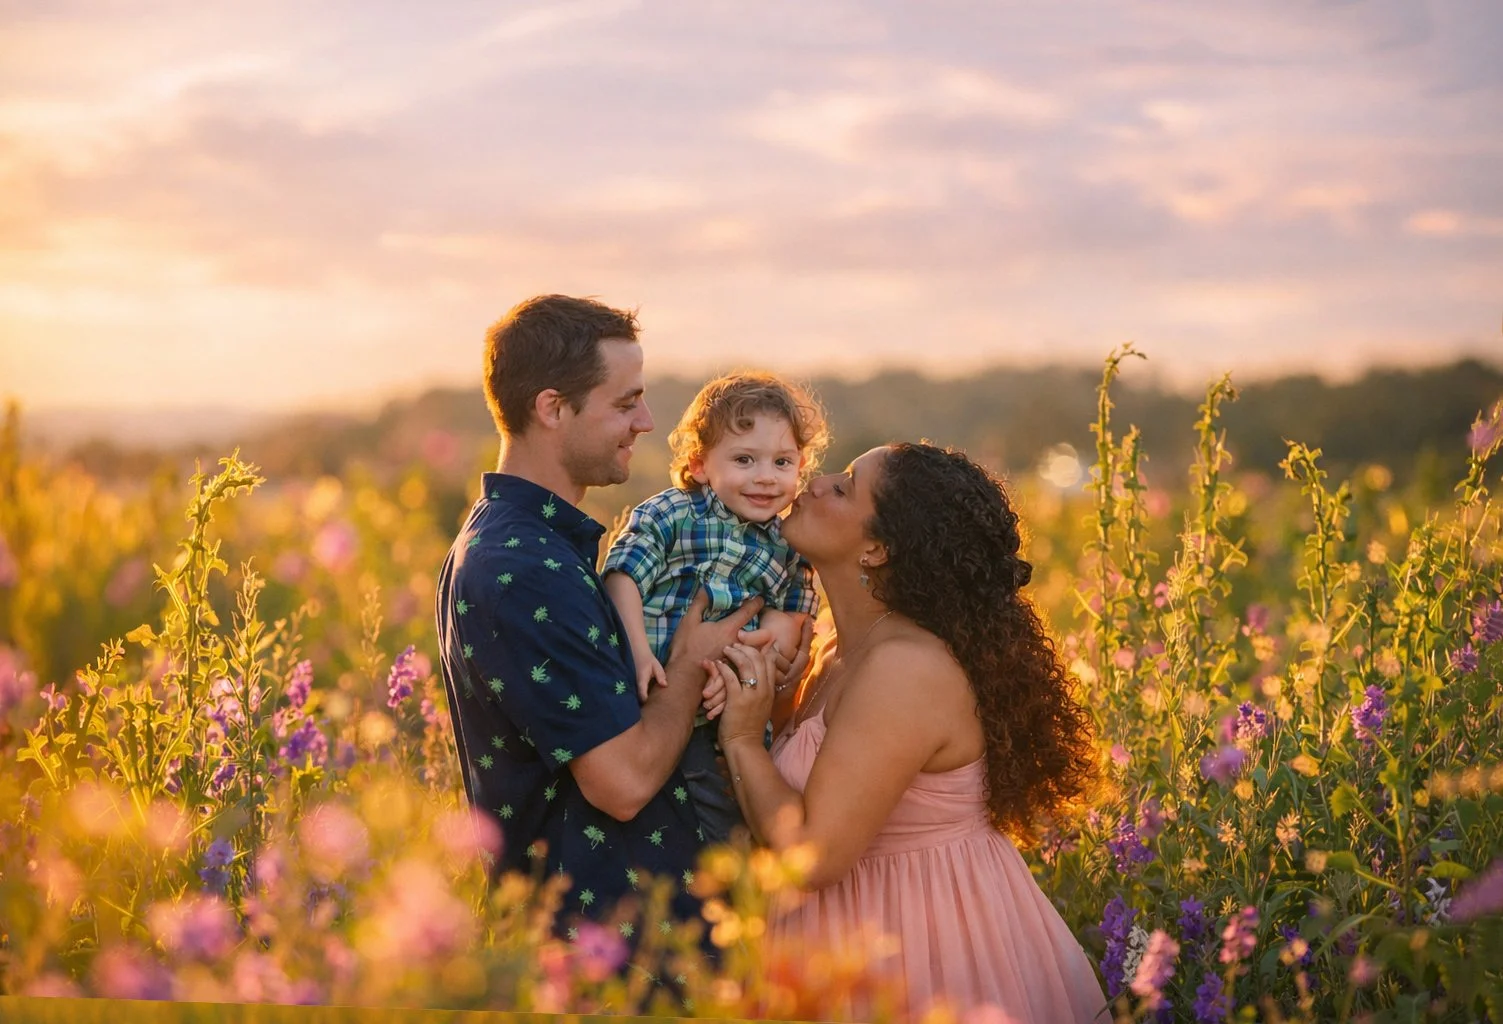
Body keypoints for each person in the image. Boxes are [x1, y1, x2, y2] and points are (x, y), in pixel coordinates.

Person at [712, 442, 1109, 1023]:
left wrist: (743, 739)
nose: (814, 481)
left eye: (844, 486)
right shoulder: (833, 647)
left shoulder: (905, 668)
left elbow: (814, 857)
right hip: (847, 945)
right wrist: (771, 706)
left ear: (875, 548)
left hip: (925, 955)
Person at [434, 295, 781, 939]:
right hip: (604, 951)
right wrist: (689, 663)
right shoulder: (522, 568)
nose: (647, 421)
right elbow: (621, 783)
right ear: (552, 408)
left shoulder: (533, 544)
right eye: (625, 403)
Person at [602, 371, 828, 843]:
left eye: (782, 462)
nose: (766, 477)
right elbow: (622, 576)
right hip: (653, 695)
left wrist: (754, 657)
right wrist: (638, 651)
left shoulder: (788, 545)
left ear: (801, 465)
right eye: (744, 460)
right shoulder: (673, 513)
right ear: (701, 464)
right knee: (647, 813)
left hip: (727, 718)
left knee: (730, 824)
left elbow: (791, 622)